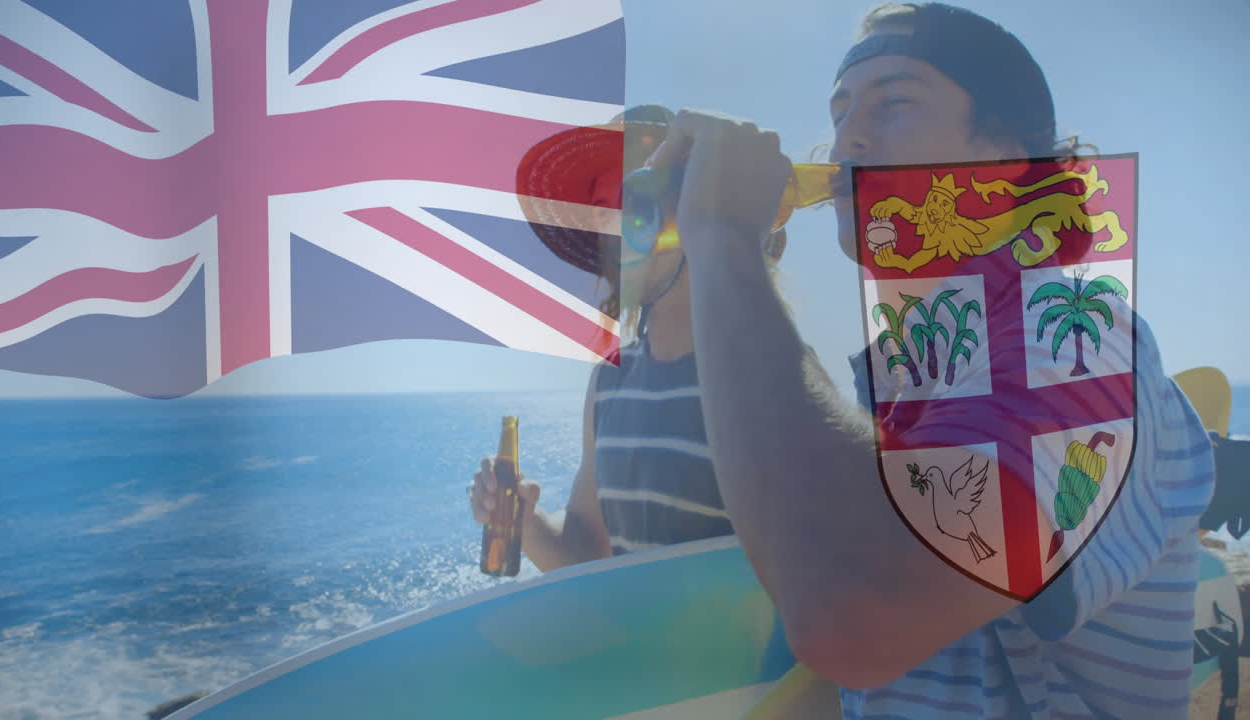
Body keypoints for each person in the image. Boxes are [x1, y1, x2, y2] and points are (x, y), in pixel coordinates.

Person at [644, 3, 1216, 718]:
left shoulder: (1081, 341)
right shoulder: (923, 371)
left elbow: (857, 616)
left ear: (1007, 159)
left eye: (894, 102)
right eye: (841, 109)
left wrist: (724, 238)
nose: (846, 134)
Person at [468, 105, 793, 569]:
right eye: (601, 214)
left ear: (694, 208)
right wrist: (525, 520)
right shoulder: (610, 383)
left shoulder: (769, 368)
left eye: (632, 203)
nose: (613, 231)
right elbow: (587, 548)